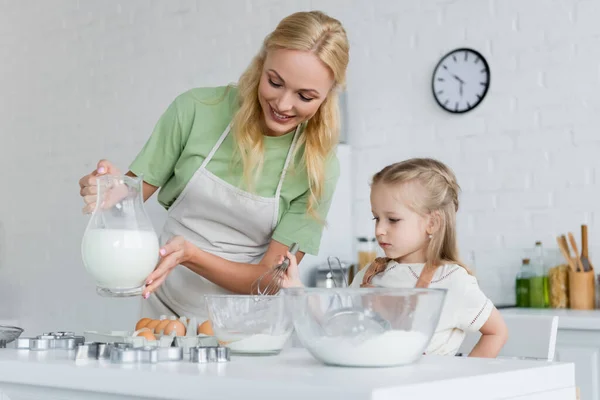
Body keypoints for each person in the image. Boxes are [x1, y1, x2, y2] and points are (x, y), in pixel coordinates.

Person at [78, 10, 350, 321]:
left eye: (305, 96)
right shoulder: (196, 110)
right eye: (274, 82)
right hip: (161, 311)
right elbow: (125, 203)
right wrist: (107, 189)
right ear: (261, 64)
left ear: (327, 97)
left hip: (245, 324)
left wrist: (193, 255)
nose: (283, 104)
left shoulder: (318, 168)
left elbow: (271, 280)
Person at [282, 158, 508, 358]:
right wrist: (296, 288)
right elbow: (338, 321)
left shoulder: (452, 280)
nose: (380, 229)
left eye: (393, 220)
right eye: (376, 218)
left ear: (432, 223)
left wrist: (464, 381)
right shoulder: (370, 275)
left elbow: (497, 332)